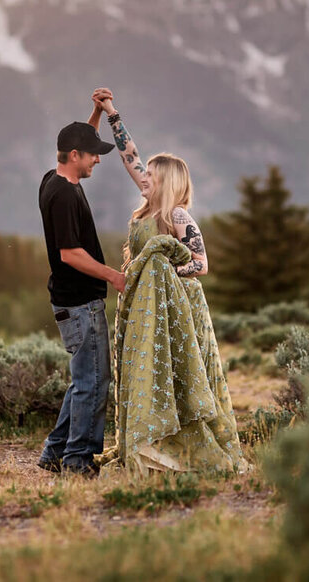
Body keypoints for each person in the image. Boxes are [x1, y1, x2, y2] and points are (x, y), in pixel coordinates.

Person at [92, 87, 245, 474]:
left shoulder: (177, 216)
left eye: (152, 176)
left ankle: (182, 447)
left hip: (177, 305)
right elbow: (130, 155)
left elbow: (201, 264)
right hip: (146, 306)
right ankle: (151, 442)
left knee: (177, 374)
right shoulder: (145, 210)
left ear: (167, 182)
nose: (144, 177)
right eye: (145, 174)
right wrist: (111, 113)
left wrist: (162, 274)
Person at [36, 105, 126, 477]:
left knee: (83, 380)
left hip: (73, 303)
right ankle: (78, 462)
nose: (97, 162)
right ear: (75, 157)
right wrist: (114, 277)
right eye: (92, 155)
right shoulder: (64, 197)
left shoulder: (54, 179)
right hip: (80, 305)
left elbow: (77, 140)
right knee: (93, 383)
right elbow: (70, 254)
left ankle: (55, 453)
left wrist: (95, 115)